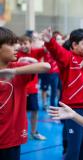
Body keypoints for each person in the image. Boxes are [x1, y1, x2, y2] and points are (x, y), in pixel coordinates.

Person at [42, 27, 83, 160]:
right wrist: (50, 41)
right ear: (74, 44)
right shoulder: (68, 58)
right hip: (73, 110)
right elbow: (57, 52)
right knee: (73, 150)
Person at [0, 27, 51, 160]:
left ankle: (34, 132)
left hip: (10, 139)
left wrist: (14, 72)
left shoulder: (16, 70)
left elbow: (46, 66)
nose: (16, 47)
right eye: (11, 44)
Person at [17, 35, 47, 140]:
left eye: (25, 43)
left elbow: (46, 50)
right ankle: (21, 132)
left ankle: (34, 132)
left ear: (30, 43)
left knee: (35, 111)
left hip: (32, 88)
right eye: (21, 44)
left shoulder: (35, 52)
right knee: (21, 113)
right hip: (20, 89)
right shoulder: (16, 54)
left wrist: (46, 39)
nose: (23, 46)